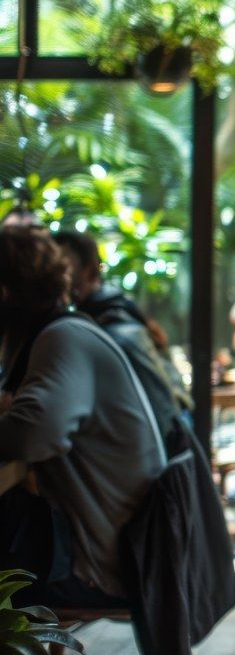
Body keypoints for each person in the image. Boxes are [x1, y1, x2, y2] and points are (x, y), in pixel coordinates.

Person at [0, 227, 166, 607]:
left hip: (99, 564)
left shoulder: (63, 338)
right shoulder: (62, 332)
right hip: (103, 544)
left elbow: (34, 435)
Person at [54, 230, 191, 438]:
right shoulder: (117, 308)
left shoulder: (109, 324)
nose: (58, 279)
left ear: (91, 272)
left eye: (64, 269)